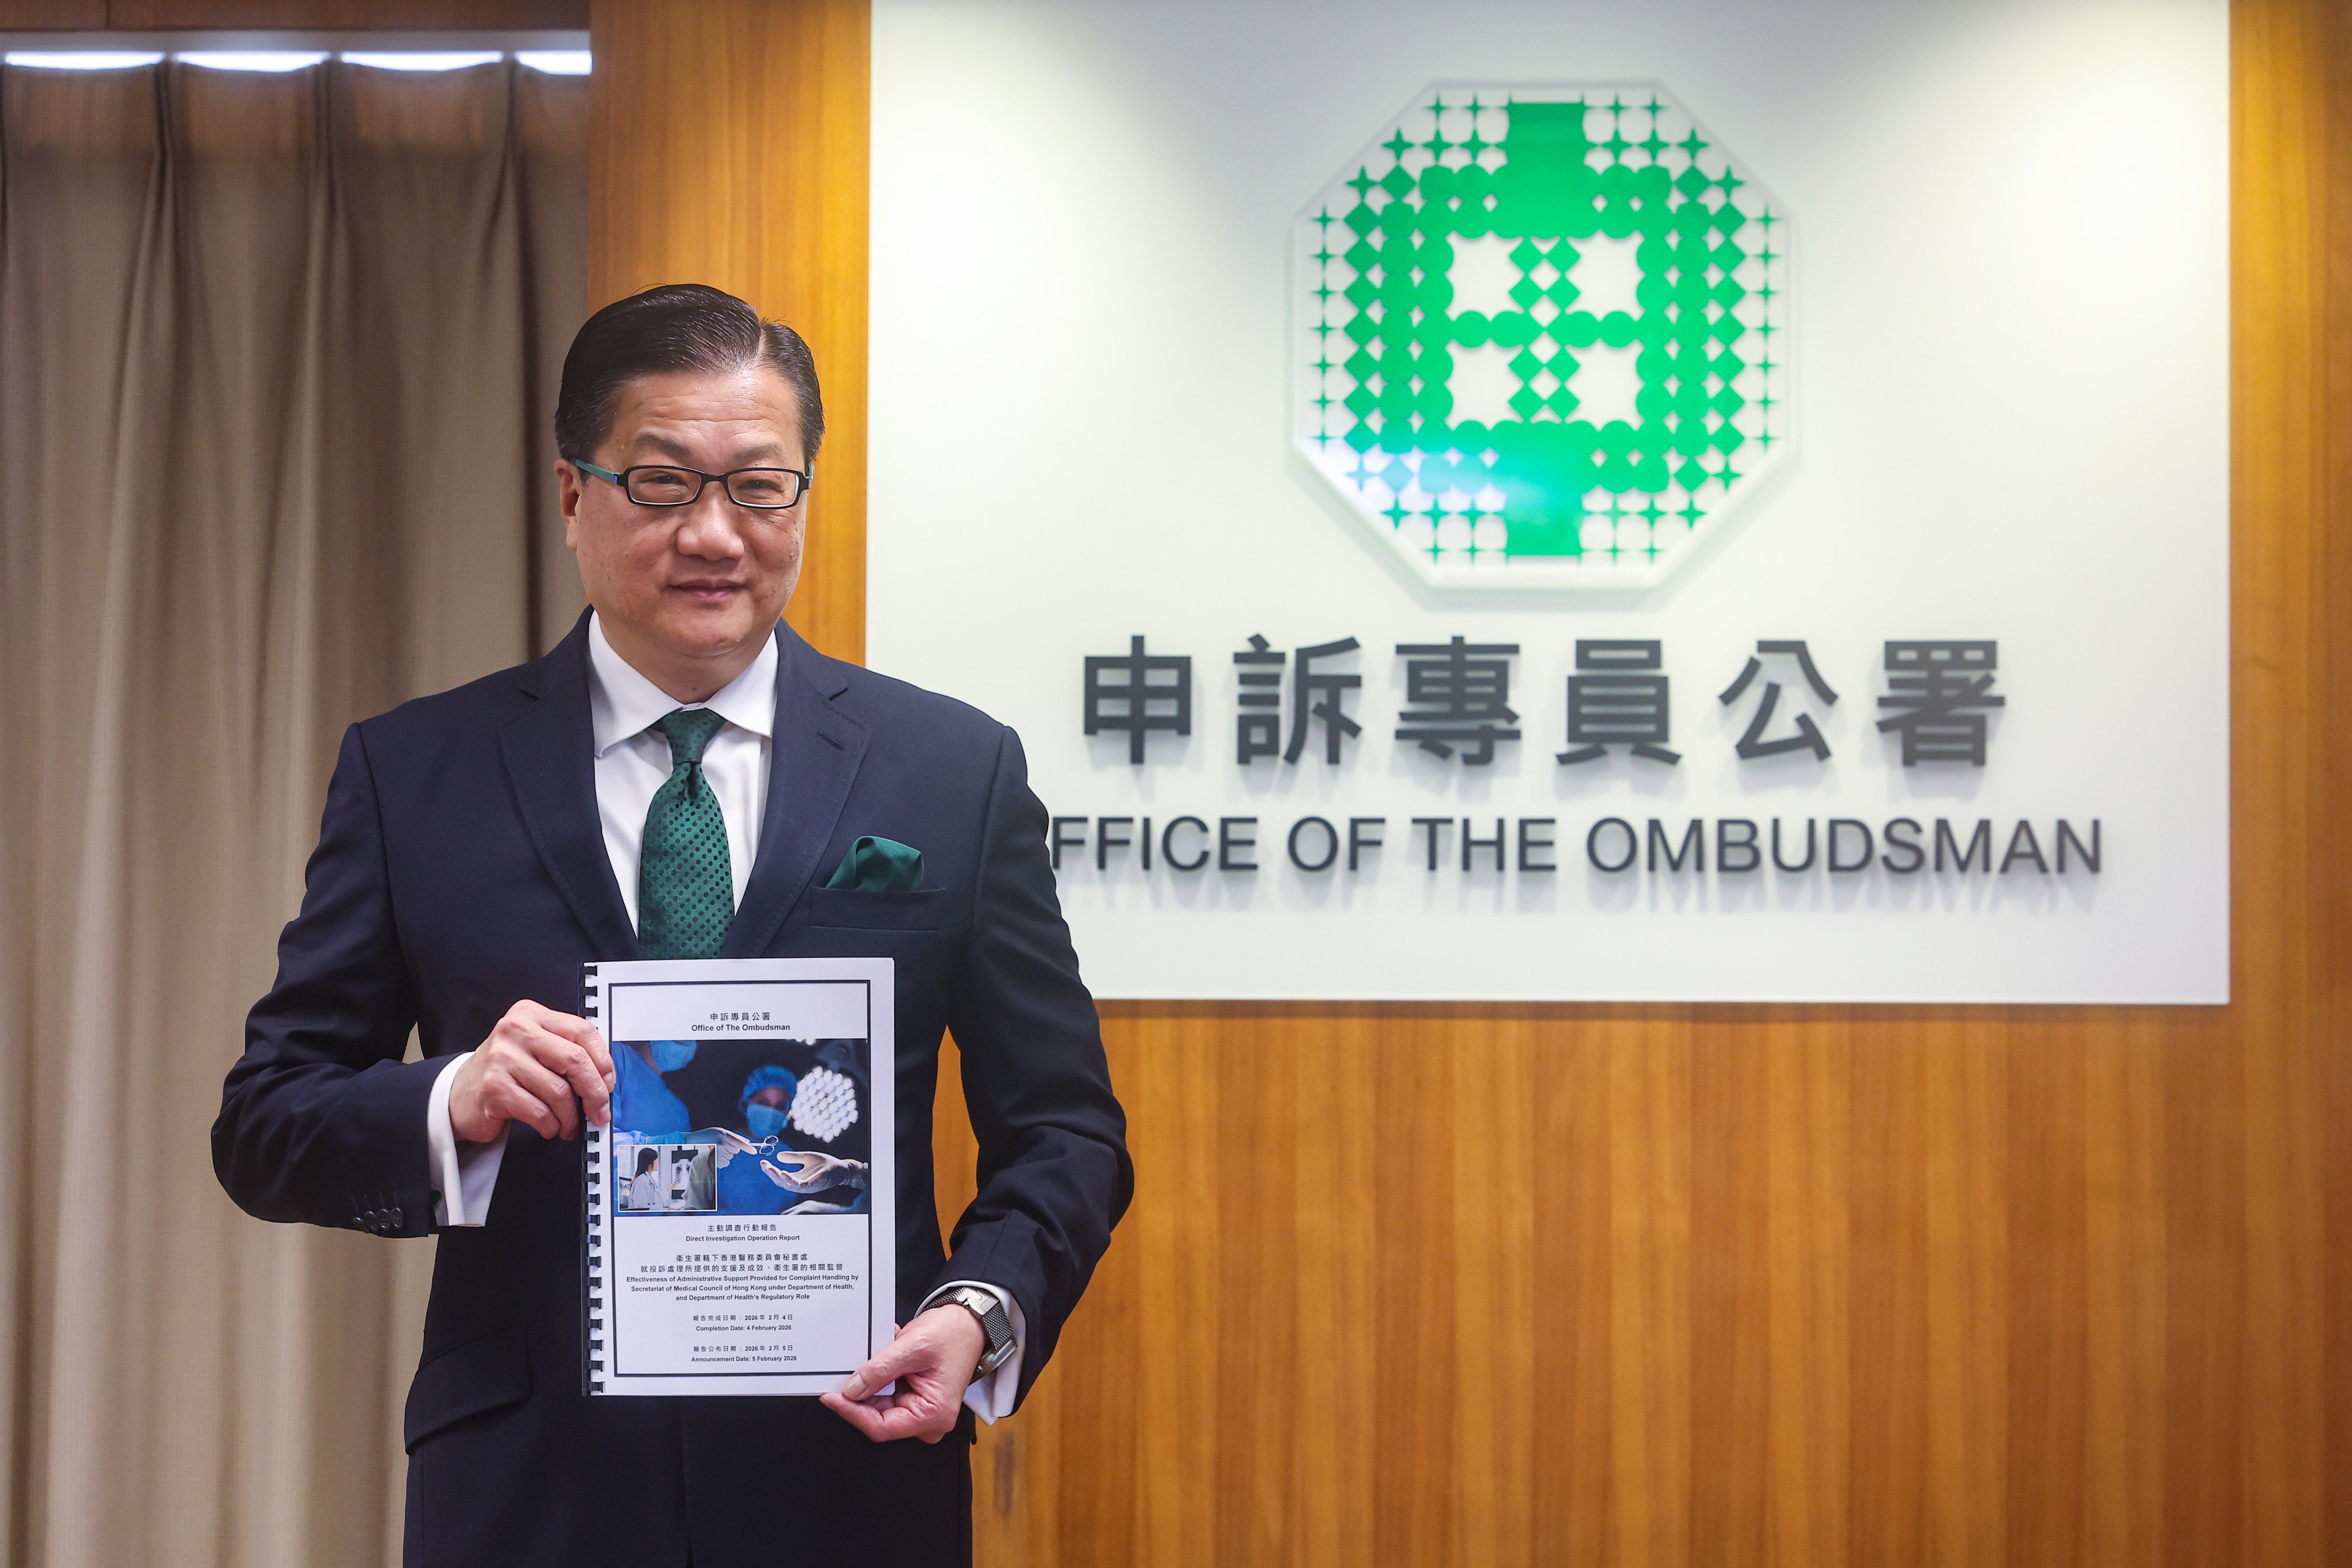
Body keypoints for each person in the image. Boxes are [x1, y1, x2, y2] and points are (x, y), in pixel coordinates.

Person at [211, 284, 1131, 1566]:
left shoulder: (949, 769)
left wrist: (978, 1309)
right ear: (574, 494)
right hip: (531, 1488)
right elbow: (265, 1123)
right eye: (661, 484)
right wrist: (455, 1098)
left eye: (761, 487)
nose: (715, 534)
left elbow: (1066, 1130)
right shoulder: (418, 770)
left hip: (847, 1470)